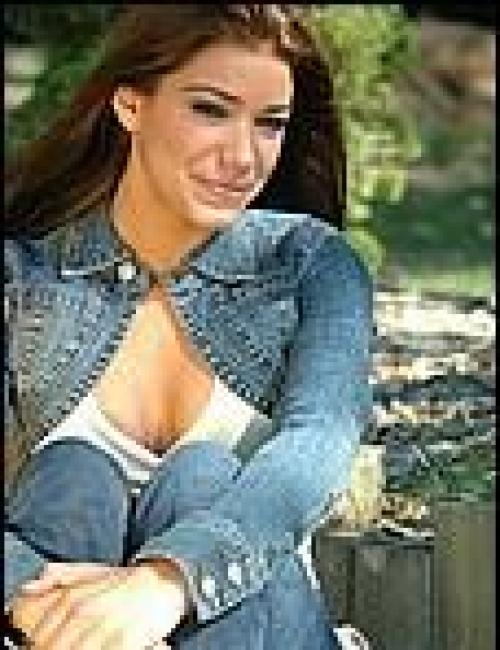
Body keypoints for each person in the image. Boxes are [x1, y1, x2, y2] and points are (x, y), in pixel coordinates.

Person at [4, 5, 373, 649]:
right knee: (72, 477)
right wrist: (31, 599)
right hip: (62, 620)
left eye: (270, 123)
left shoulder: (313, 265)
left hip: (264, 631)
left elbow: (318, 447)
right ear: (130, 106)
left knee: (200, 477)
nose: (242, 156)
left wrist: (167, 582)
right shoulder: (23, 279)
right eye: (210, 110)